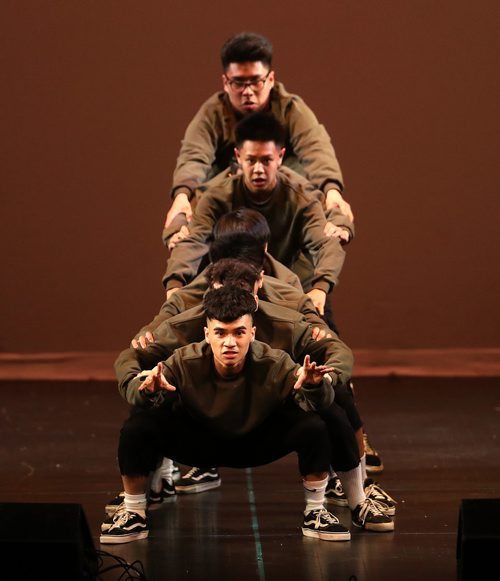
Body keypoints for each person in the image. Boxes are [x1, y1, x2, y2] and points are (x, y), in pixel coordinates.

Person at [111, 261, 395, 529]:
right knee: (142, 414)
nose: (230, 342)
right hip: (199, 421)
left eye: (239, 331)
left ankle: (352, 500)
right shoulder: (184, 328)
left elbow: (334, 350)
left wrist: (320, 379)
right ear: (207, 329)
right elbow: (136, 353)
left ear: (259, 287)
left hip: (268, 413)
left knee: (330, 405)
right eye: (221, 333)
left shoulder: (286, 324)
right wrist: (142, 384)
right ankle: (138, 501)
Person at [164, 32, 353, 236]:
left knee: (328, 203)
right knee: (187, 207)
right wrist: (182, 195)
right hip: (228, 192)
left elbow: (315, 148)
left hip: (281, 191)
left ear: (270, 79)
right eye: (238, 83)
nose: (248, 91)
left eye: (255, 81)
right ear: (225, 82)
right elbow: (194, 155)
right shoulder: (212, 113)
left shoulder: (290, 109)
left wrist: (331, 189)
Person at [163, 112, 345, 316]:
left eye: (266, 160)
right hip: (225, 288)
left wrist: (321, 287)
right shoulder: (216, 197)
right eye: (251, 160)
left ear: (280, 157)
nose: (258, 169)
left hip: (286, 288)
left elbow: (324, 243)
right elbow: (194, 241)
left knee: (320, 327)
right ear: (239, 157)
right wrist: (175, 283)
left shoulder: (302, 199)